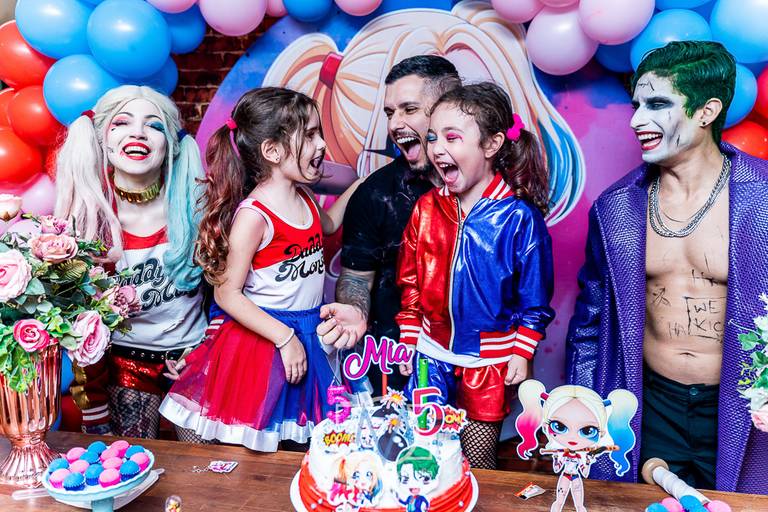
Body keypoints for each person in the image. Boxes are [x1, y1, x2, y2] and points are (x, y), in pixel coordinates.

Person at [565, 41, 768, 493]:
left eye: (657, 104)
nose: (637, 121)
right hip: (651, 407)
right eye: (636, 105)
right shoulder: (616, 208)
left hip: (745, 414)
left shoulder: (763, 196)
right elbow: (589, 325)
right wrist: (581, 405)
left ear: (707, 111)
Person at [159, 87, 367, 451]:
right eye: (310, 135)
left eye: (319, 134)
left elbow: (329, 224)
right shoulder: (255, 215)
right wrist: (284, 338)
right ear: (272, 151)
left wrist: (362, 185)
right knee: (260, 441)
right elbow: (226, 293)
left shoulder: (304, 197)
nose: (322, 145)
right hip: (266, 341)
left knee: (309, 443)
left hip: (310, 331)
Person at [396, 82, 555, 469]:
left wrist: (522, 350)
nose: (437, 149)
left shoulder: (519, 217)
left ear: (492, 144)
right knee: (425, 456)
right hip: (429, 354)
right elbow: (410, 280)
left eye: (452, 137)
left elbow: (535, 297)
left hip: (489, 363)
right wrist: (409, 336)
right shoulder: (425, 209)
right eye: (433, 137)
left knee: (479, 463)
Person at [55, 85, 207, 439]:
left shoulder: (200, 210)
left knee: (206, 465)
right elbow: (82, 329)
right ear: (103, 139)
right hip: (126, 367)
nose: (138, 132)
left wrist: (208, 353)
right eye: (122, 122)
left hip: (196, 361)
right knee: (135, 464)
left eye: (154, 125)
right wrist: (94, 407)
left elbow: (230, 295)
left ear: (170, 144)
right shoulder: (86, 224)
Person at [316, 55, 461, 392]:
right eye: (389, 113)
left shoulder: (497, 192)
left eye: (409, 109)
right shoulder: (375, 193)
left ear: (447, 109)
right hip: (400, 362)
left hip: (479, 364)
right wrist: (355, 310)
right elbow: (356, 277)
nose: (395, 124)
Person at [516, 381, 637, 512]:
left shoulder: (583, 454)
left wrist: (588, 460)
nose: (572, 438)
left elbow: (585, 473)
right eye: (559, 427)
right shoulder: (562, 452)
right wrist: (556, 457)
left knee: (579, 503)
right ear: (546, 426)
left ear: (601, 433)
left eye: (588, 431)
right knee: (559, 500)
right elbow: (557, 469)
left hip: (576, 477)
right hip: (565, 475)